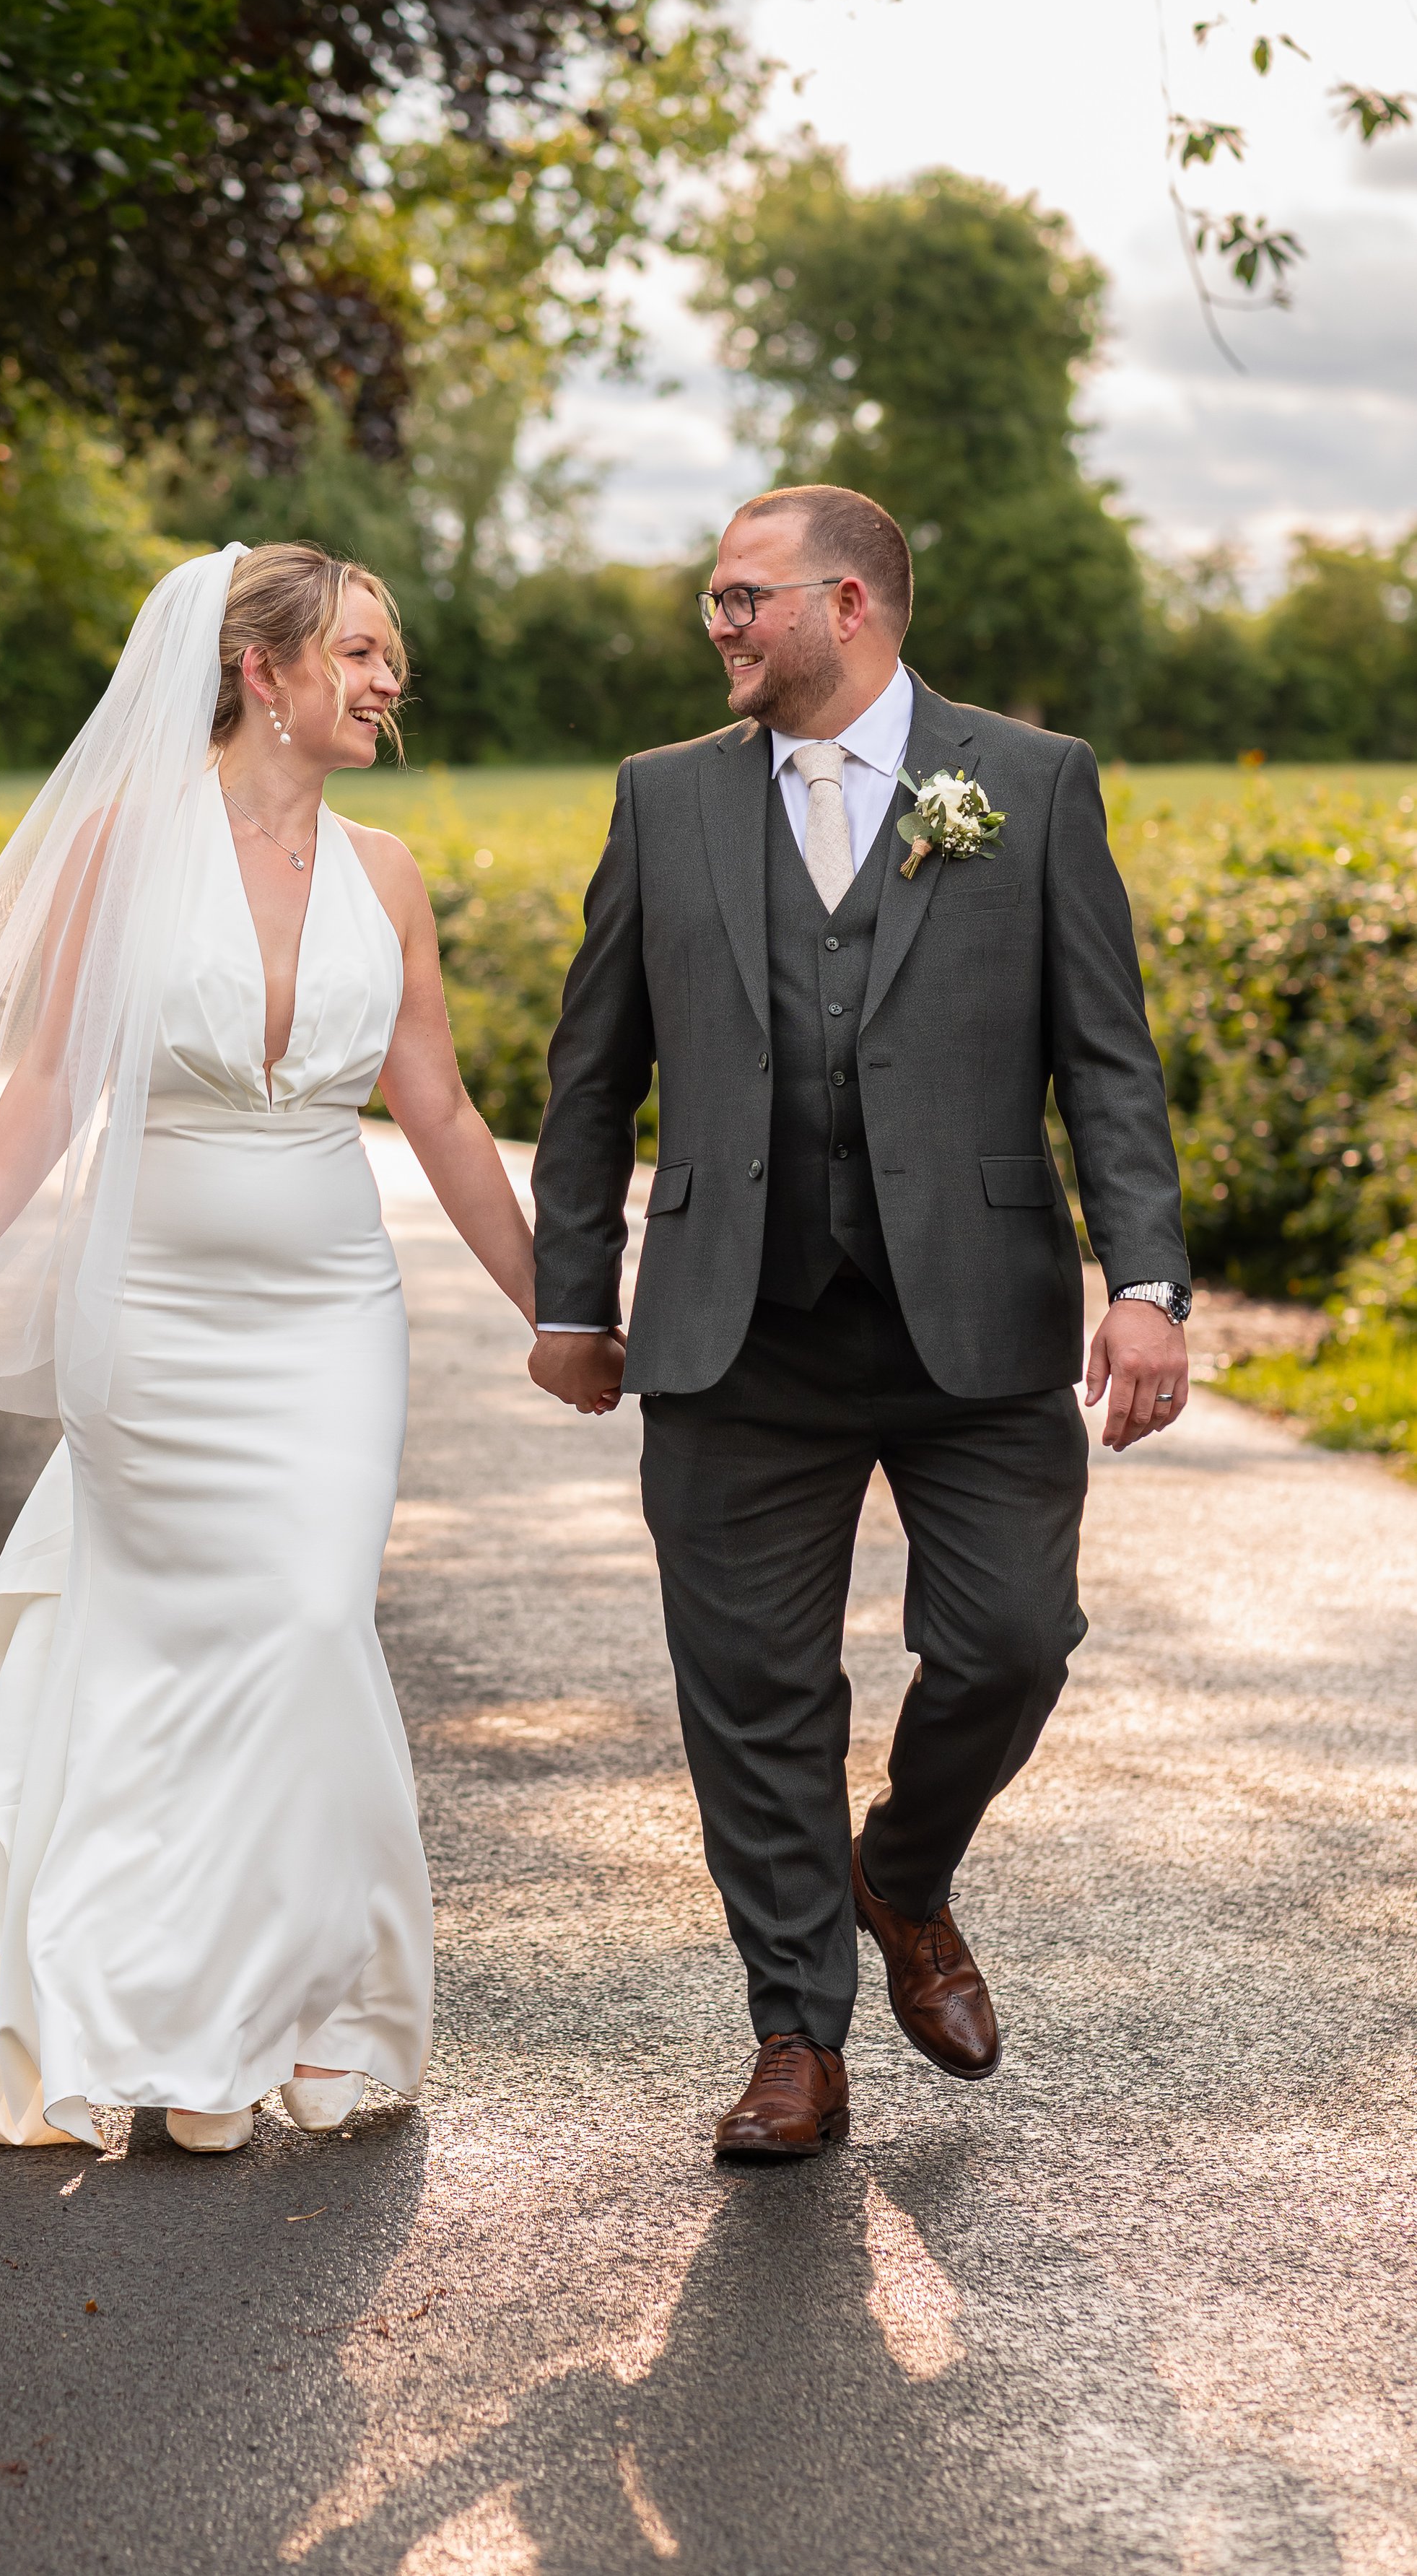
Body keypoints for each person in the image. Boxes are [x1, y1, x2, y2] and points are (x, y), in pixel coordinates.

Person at [0, 543, 536, 2152]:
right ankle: (178, 2035)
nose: (387, 680)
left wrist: (554, 1303)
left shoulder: (385, 874)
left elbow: (443, 1110)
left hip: (331, 1315)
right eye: (358, 650)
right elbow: (53, 1079)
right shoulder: (131, 842)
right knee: (164, 1668)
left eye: (390, 654)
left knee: (313, 1622)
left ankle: (322, 2008)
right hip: (159, 1317)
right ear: (259, 669)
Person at [527, 484, 1190, 2161]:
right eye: (712, 602)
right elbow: (591, 1075)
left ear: (851, 606)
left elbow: (1103, 1061)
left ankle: (897, 1874)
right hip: (732, 1327)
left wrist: (1144, 1284)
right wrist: (569, 1296)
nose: (719, 626)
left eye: (743, 598)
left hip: (972, 1326)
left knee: (1009, 1644)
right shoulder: (661, 799)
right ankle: (792, 2037)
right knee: (748, 1689)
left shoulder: (1027, 783)